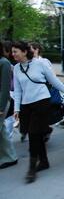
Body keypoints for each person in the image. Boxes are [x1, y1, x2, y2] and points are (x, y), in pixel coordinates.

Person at [12, 41, 64, 183]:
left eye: (15, 51)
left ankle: (32, 169)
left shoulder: (40, 64)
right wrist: (17, 108)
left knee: (33, 134)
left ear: (25, 52)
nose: (13, 54)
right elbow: (18, 90)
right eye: (12, 52)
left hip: (42, 102)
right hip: (27, 105)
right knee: (35, 133)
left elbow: (54, 81)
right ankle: (44, 161)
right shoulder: (16, 68)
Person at [0, 41, 17, 169]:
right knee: (3, 131)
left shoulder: (4, 63)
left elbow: (5, 88)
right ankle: (10, 156)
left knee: (2, 130)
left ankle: (10, 157)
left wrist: (1, 107)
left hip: (2, 101)